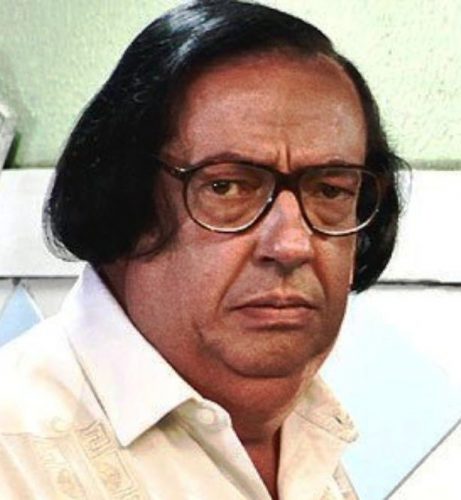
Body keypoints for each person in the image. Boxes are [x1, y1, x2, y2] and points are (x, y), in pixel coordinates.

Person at [0, 1, 404, 498]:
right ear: (121, 201)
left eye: (330, 191)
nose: (293, 244)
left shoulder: (310, 429)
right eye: (227, 187)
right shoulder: (15, 447)